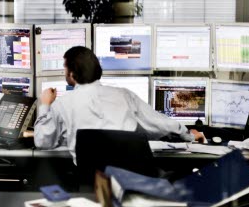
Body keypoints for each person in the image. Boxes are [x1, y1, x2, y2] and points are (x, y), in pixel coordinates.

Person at [34, 46, 205, 163]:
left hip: (92, 185)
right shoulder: (124, 95)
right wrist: (189, 134)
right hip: (133, 179)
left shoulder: (62, 104)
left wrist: (45, 104)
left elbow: (43, 142)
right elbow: (159, 123)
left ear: (71, 73)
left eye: (64, 68)